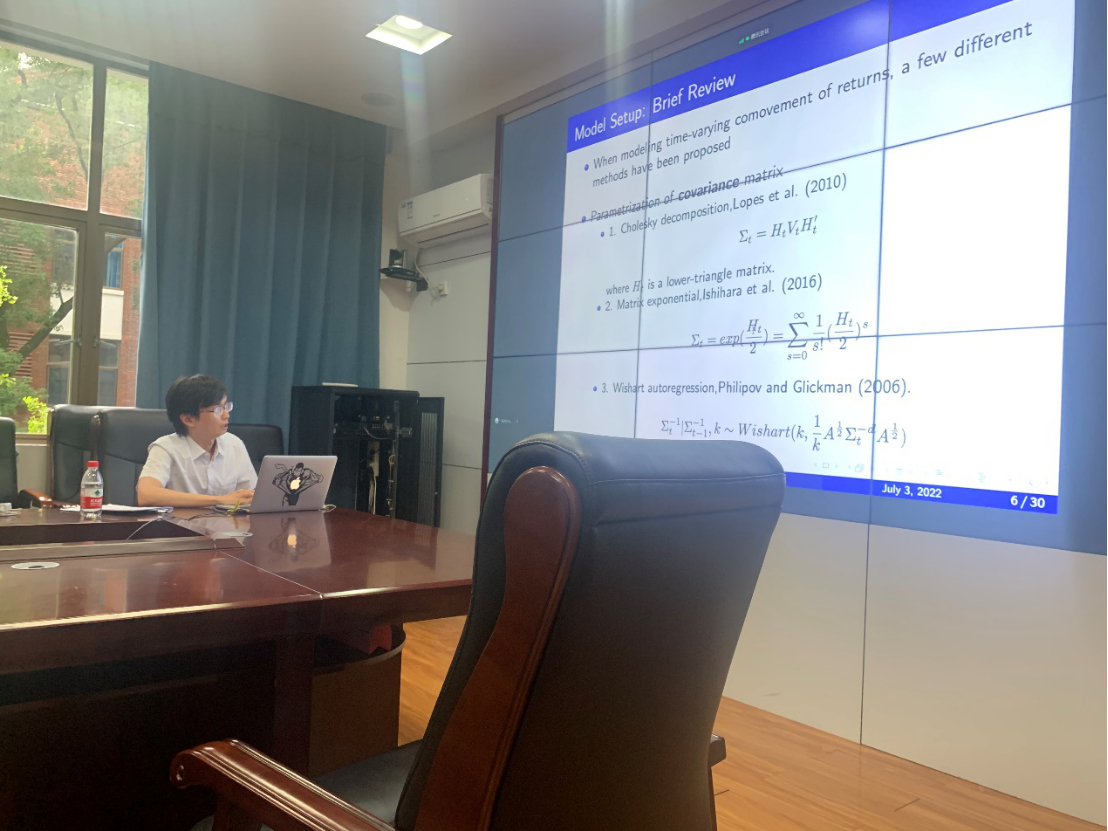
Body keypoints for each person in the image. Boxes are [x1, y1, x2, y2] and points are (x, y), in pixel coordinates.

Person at [136, 374, 257, 507]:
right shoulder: (166, 448)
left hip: (225, 521)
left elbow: (252, 495)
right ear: (189, 419)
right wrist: (219, 500)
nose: (226, 415)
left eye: (226, 406)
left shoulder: (234, 445)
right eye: (217, 410)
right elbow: (146, 494)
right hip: (180, 520)